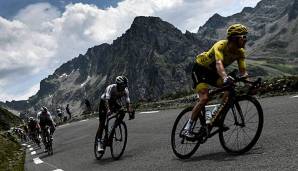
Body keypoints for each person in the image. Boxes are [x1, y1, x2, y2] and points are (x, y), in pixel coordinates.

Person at [183, 24, 249, 139]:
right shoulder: (221, 45)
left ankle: (215, 117)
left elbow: (243, 72)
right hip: (201, 69)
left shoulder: (240, 52)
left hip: (213, 73)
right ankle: (187, 128)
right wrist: (225, 77)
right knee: (204, 98)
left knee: (229, 90)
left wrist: (250, 84)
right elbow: (219, 64)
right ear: (234, 38)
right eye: (243, 36)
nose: (246, 39)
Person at [96, 76, 134, 152]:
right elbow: (107, 101)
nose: (124, 88)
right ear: (118, 85)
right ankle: (99, 142)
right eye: (123, 86)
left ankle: (114, 127)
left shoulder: (125, 90)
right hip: (104, 103)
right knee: (102, 122)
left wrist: (130, 112)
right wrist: (108, 110)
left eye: (125, 86)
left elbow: (127, 102)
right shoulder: (111, 88)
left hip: (113, 102)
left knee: (122, 112)